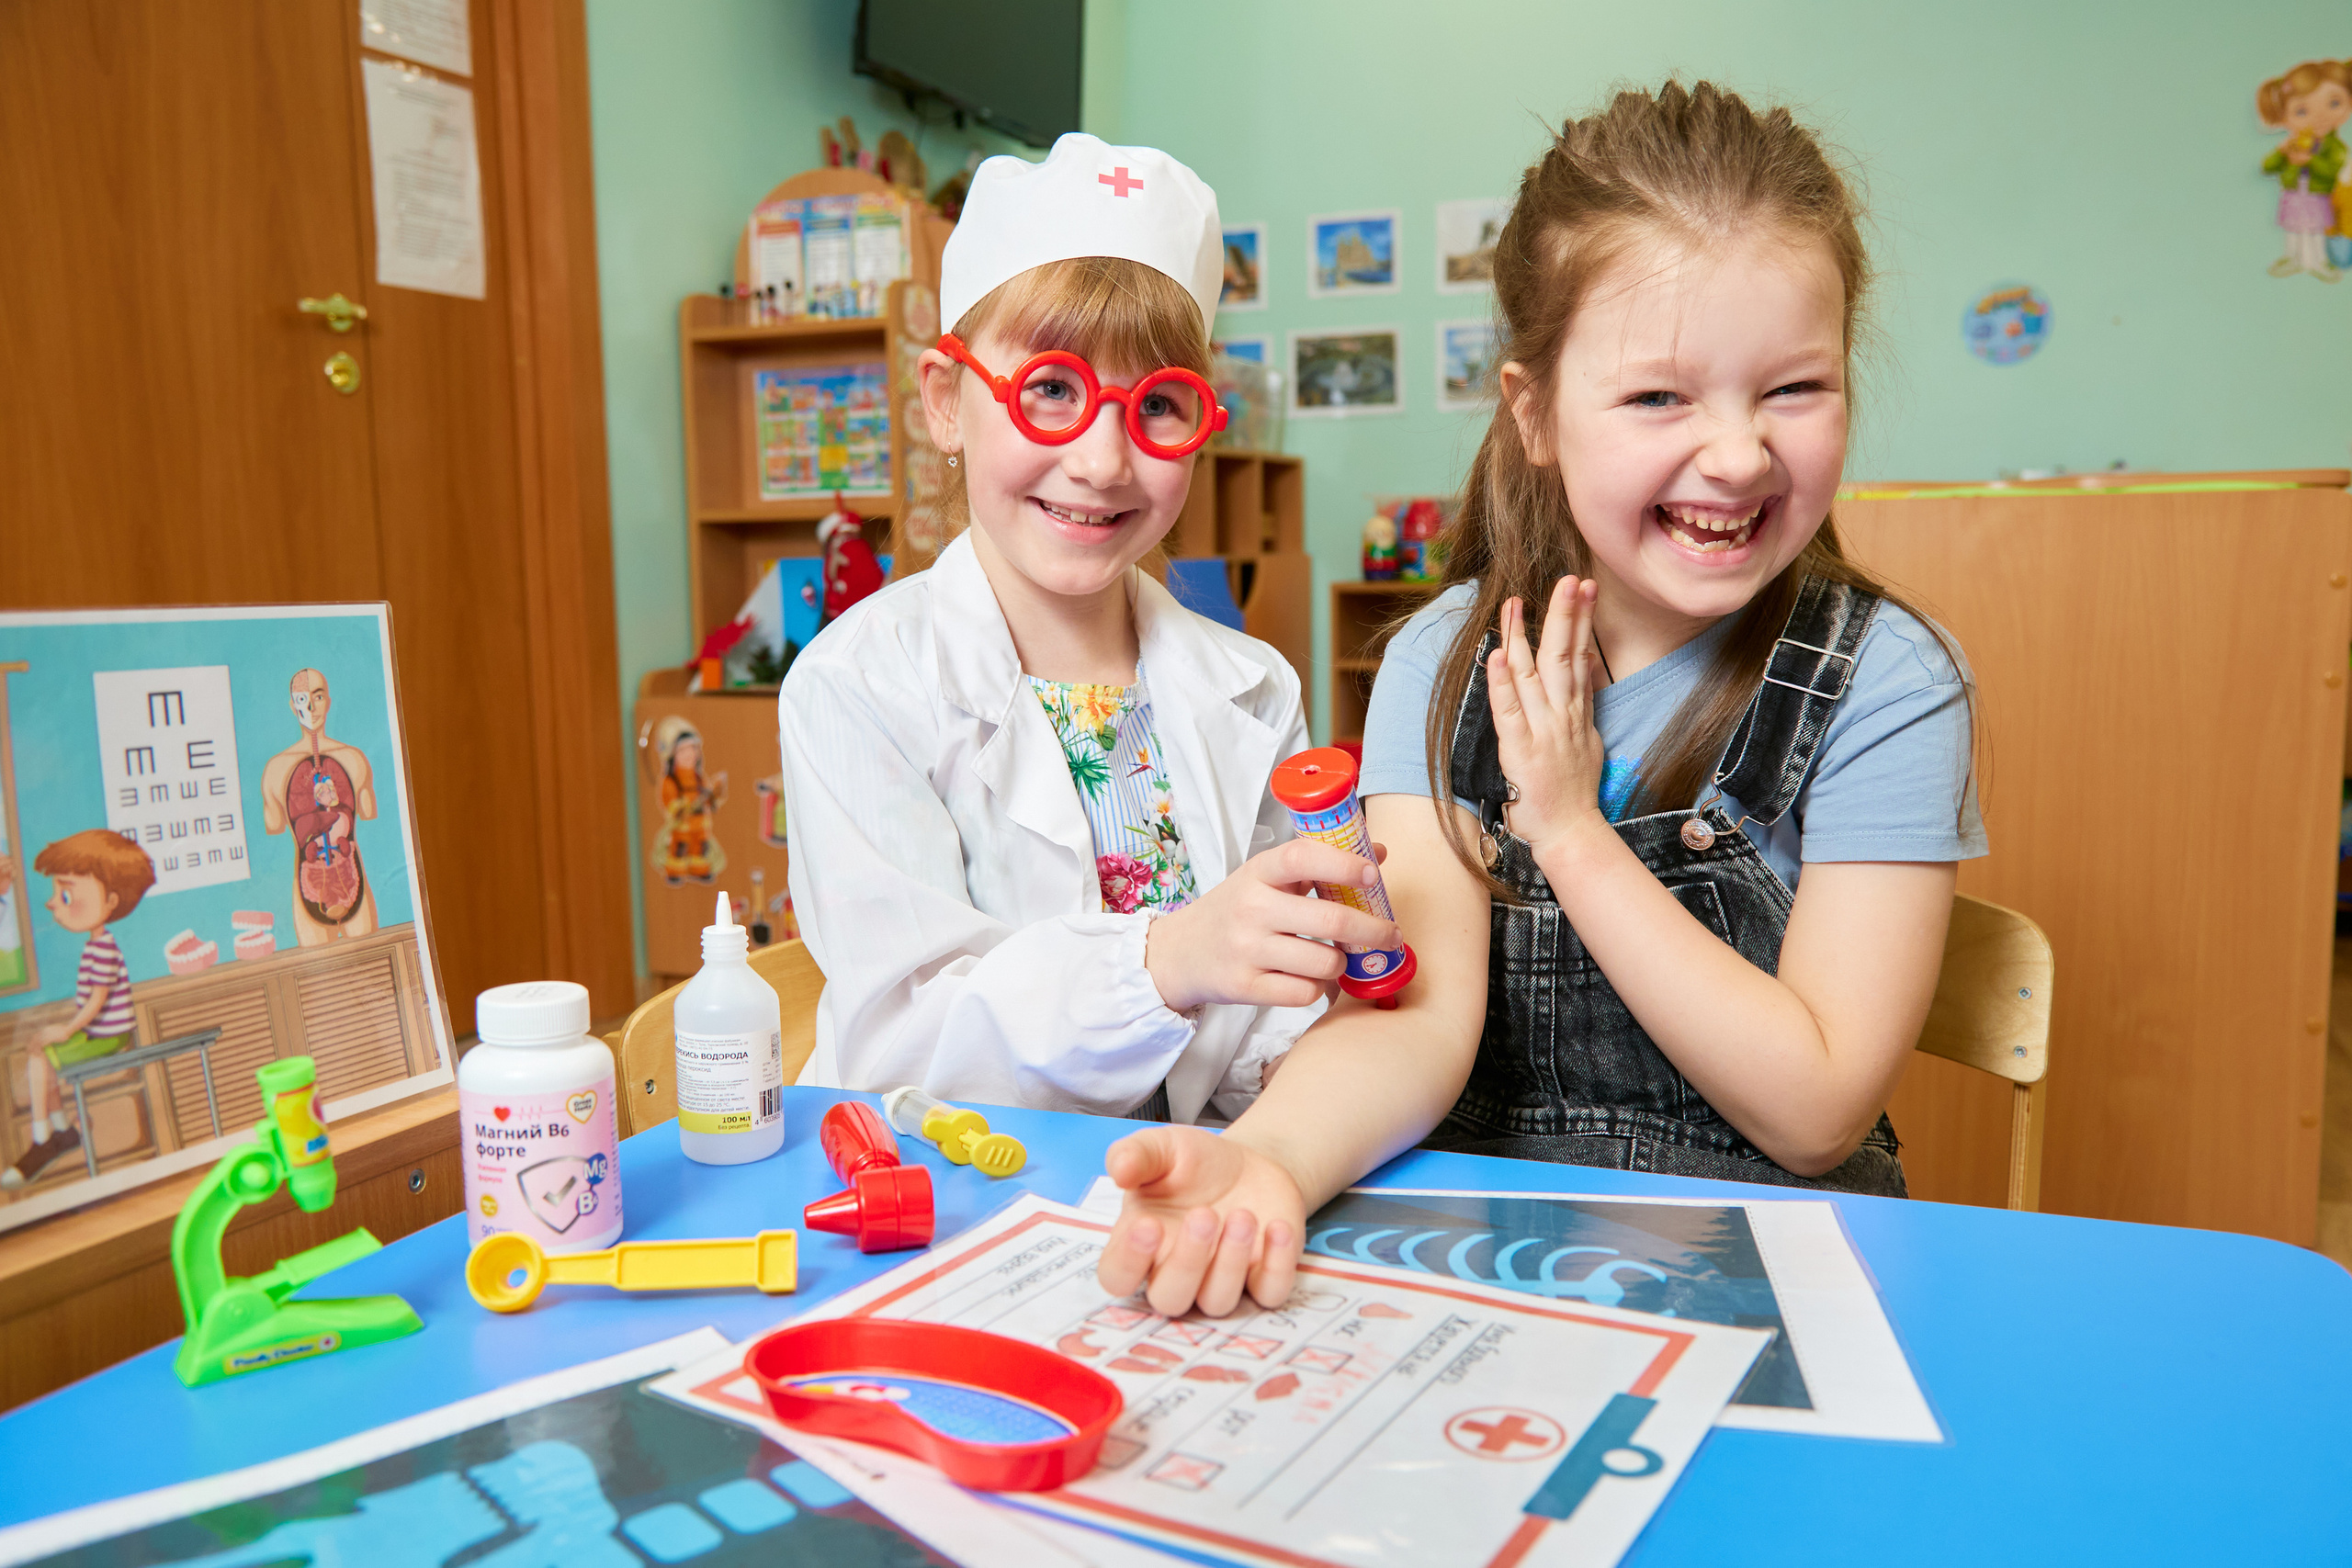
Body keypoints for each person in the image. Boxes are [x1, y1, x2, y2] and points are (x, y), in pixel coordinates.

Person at [1096, 81, 1985, 1316]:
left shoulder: (1888, 679)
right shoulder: (1442, 659)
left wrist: (1569, 830)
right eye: (1659, 396)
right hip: (1474, 1256)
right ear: (1535, 412)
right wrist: (1274, 1161)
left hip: (1764, 1266)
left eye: (1795, 388)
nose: (1737, 453)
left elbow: (1816, 1105)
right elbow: (1420, 1019)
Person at [781, 134, 1396, 1123]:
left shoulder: (1255, 688)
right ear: (946, 404)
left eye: (1157, 405)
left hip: (1195, 1188)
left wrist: (1310, 1037)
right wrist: (1168, 959)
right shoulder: (858, 687)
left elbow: (1256, 1030)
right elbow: (906, 1049)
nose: (1104, 462)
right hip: (962, 1193)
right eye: (1053, 390)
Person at [3, 829, 156, 1189]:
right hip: (98, 1033)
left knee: (41, 1054)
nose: (53, 903)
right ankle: (59, 1132)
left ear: (111, 901)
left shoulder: (103, 949)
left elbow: (97, 1001)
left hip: (109, 1037)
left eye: (66, 893)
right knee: (39, 1050)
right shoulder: (94, 946)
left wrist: (67, 1029)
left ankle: (44, 1139)